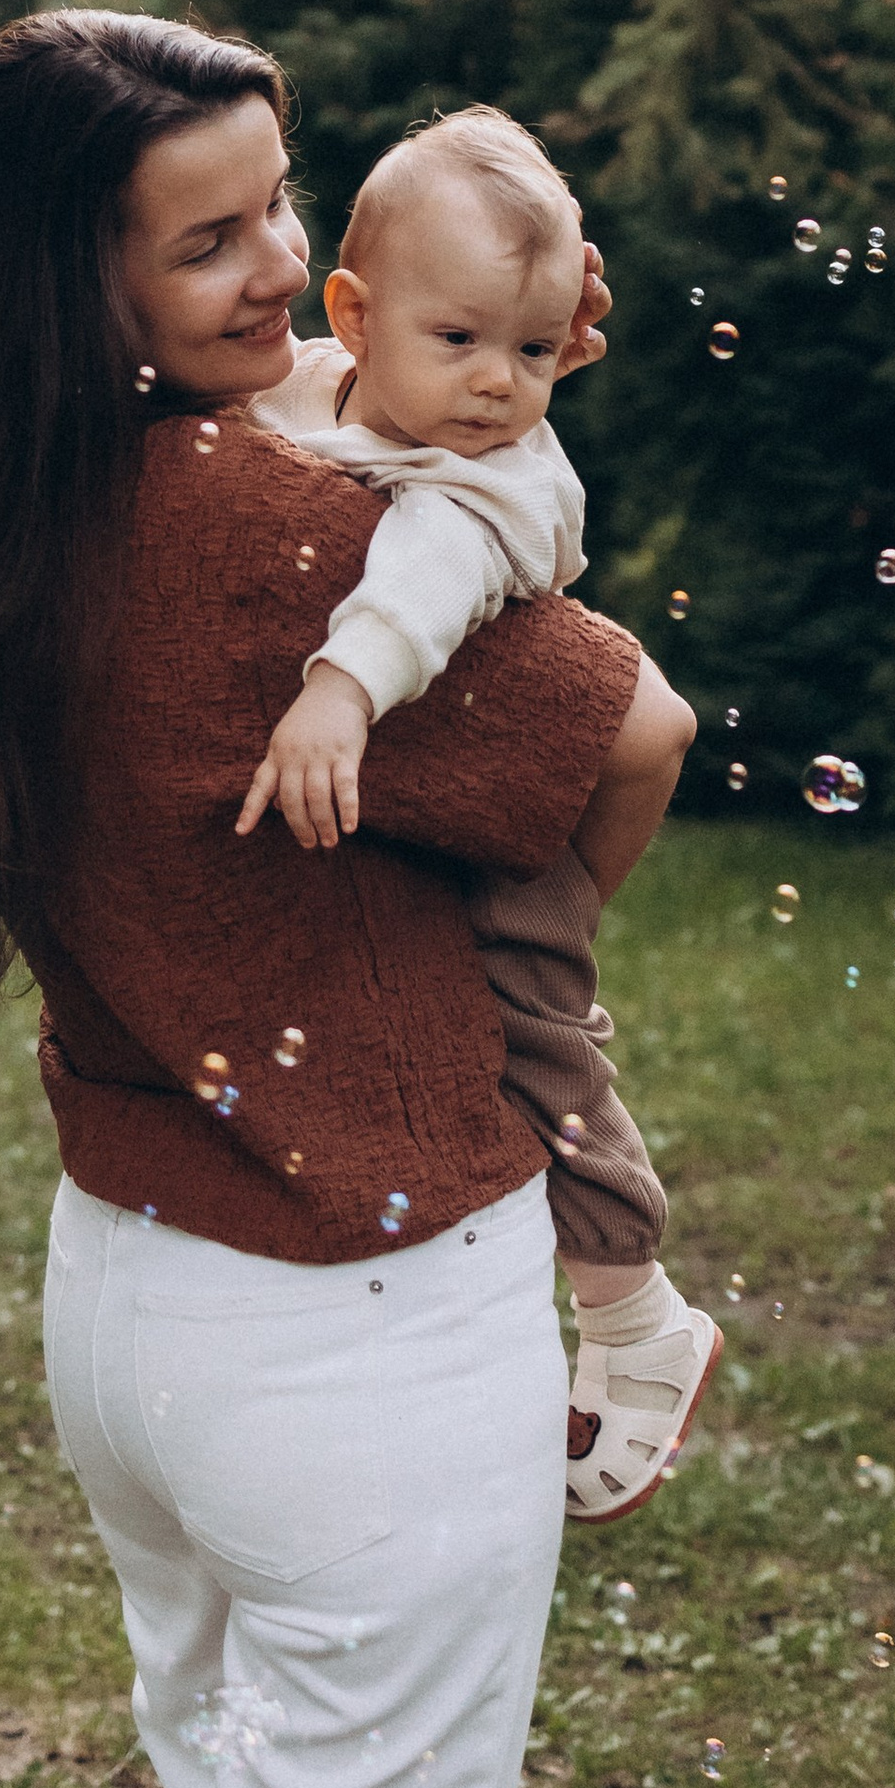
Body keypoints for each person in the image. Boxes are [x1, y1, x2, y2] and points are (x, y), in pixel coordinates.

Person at [0, 10, 697, 1788]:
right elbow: (640, 728)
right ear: (72, 294)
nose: (284, 264)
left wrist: (451, 353)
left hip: (131, 1298)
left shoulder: (6, 499)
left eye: (281, 203)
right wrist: (510, 960)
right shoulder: (280, 540)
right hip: (356, 1323)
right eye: (209, 242)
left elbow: (293, 428)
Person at [238, 105, 718, 1523]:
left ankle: (636, 1314)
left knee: (536, 1036)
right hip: (449, 807)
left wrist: (338, 692)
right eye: (461, 339)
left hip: (510, 814)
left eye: (533, 352)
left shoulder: (486, 484)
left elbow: (417, 587)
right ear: (353, 318)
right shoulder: (328, 384)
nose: (500, 383)